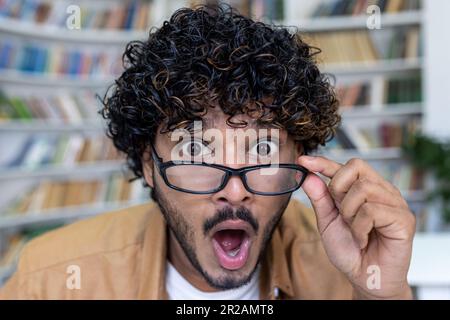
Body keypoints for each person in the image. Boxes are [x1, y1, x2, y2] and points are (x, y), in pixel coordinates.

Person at [0, 5, 415, 300]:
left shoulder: (346, 269)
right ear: (149, 164)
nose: (234, 193)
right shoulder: (50, 280)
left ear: (301, 162)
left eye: (264, 149)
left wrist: (381, 292)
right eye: (196, 148)